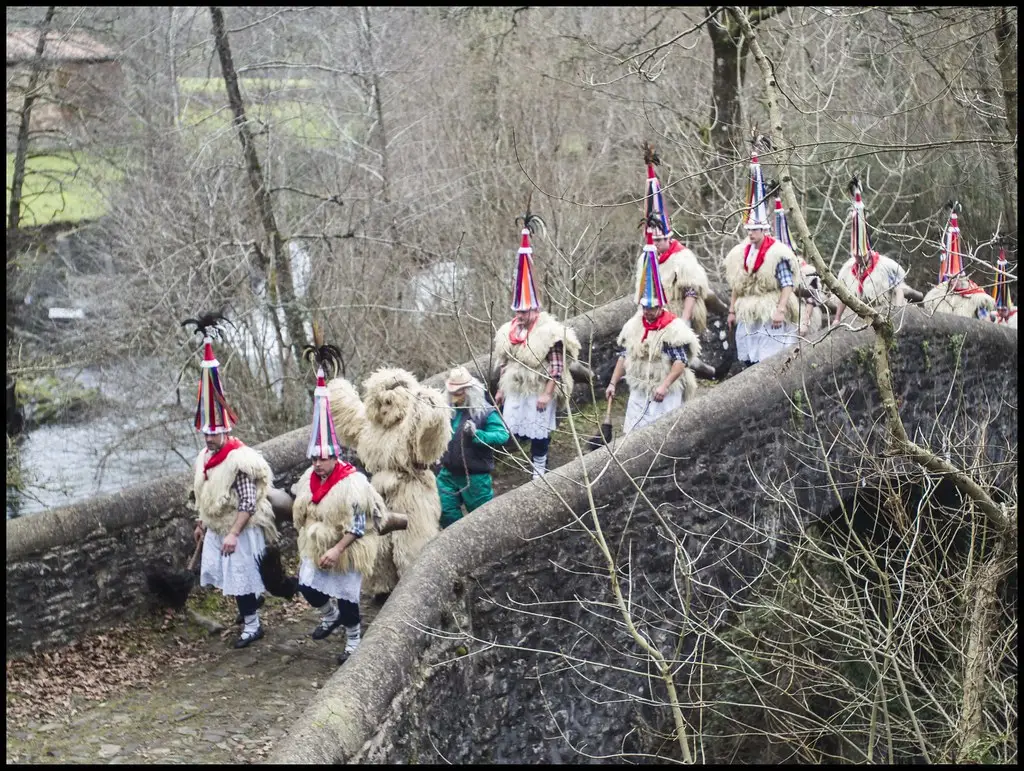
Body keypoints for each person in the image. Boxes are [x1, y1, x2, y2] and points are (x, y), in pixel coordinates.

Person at [184, 316, 278, 649]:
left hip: (241, 527)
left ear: (226, 430)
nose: (210, 437)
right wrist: (202, 522)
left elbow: (248, 502)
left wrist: (235, 533)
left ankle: (253, 625)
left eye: (215, 432)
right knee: (230, 578)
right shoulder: (203, 457)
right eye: (206, 432)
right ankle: (249, 607)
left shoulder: (240, 461)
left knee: (239, 577)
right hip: (218, 526)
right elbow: (204, 493)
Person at [291, 353, 383, 666]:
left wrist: (337, 550)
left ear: (334, 456)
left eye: (322, 458)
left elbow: (358, 525)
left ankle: (354, 639)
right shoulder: (308, 478)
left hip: (348, 547)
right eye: (313, 458)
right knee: (308, 587)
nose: (317, 463)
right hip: (318, 543)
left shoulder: (353, 484)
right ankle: (329, 616)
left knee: (347, 596)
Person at [492, 206, 581, 479]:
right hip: (517, 386)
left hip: (539, 385)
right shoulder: (510, 329)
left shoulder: (550, 332)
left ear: (536, 309)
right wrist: (501, 389)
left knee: (539, 427)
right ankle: (521, 464)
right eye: (518, 311)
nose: (521, 316)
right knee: (516, 426)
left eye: (526, 311)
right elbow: (505, 361)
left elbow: (555, 367)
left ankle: (539, 467)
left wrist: (547, 393)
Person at [606, 226, 700, 435]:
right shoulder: (634, 325)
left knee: (663, 434)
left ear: (661, 306)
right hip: (640, 387)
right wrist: (613, 383)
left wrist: (664, 386)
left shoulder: (673, 329)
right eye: (645, 307)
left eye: (652, 308)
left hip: (663, 389)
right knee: (633, 433)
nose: (647, 312)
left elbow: (680, 361)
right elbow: (624, 355)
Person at [638, 145, 719, 379]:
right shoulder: (648, 256)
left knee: (678, 357)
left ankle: (694, 373)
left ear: (669, 237)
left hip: (674, 310)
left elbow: (691, 290)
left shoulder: (682, 257)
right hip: (653, 310)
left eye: (661, 239)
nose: (658, 243)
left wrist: (684, 318)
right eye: (655, 238)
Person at [723, 148, 800, 366]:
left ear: (764, 229)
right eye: (749, 229)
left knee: (771, 355)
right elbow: (738, 284)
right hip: (749, 311)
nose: (751, 233)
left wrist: (780, 309)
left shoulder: (777, 253)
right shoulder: (740, 252)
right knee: (749, 354)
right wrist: (732, 309)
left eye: (755, 230)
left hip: (770, 308)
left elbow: (787, 284)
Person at [437, 366, 510, 528]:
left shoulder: (486, 412)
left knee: (483, 520)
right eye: (453, 392)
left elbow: (502, 435)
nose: (456, 396)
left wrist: (478, 435)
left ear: (470, 390)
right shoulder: (448, 411)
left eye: (460, 392)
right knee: (445, 511)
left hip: (475, 476)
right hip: (447, 473)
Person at [832, 179, 912, 323]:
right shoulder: (848, 270)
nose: (859, 260)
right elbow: (843, 297)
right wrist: (837, 318)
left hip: (882, 314)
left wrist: (897, 313)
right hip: (857, 319)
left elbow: (898, 289)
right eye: (856, 257)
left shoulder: (886, 267)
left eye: (862, 257)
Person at [921, 206, 997, 321]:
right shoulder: (938, 293)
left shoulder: (977, 297)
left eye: (956, 278)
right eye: (951, 278)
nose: (953, 281)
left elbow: (985, 321)